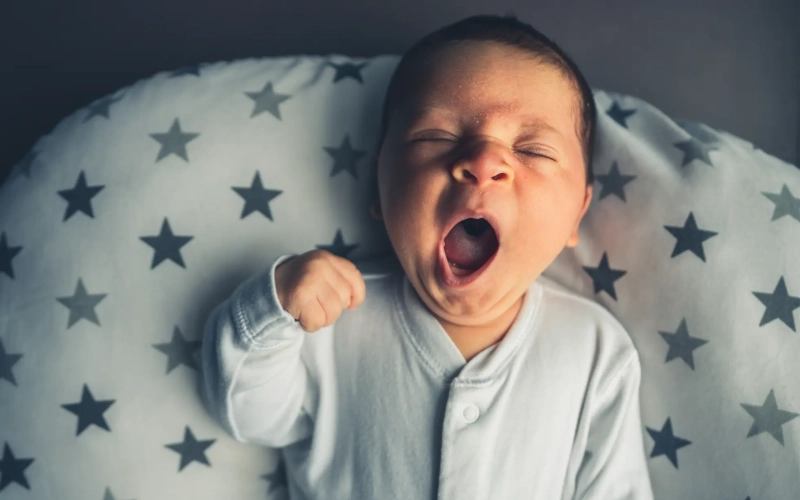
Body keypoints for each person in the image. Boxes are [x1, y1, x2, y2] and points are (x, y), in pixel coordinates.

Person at [201, 14, 655, 499]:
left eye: (532, 149)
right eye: (436, 137)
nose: (485, 162)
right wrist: (272, 311)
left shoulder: (594, 351)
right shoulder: (329, 319)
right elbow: (250, 418)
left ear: (575, 217)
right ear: (381, 183)